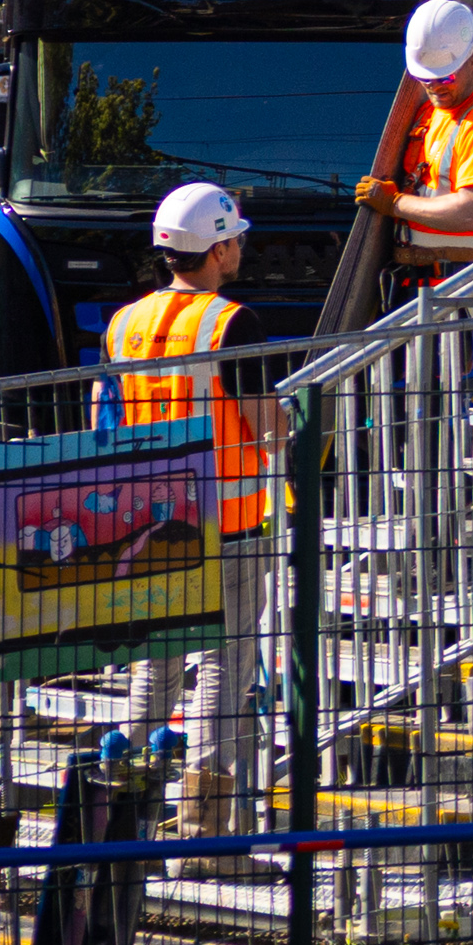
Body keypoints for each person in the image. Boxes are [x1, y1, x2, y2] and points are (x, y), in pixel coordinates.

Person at [106, 181, 278, 820]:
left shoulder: (124, 325)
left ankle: (124, 813)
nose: (239, 249)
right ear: (216, 248)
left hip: (152, 524)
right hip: (229, 528)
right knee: (222, 673)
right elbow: (269, 428)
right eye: (234, 239)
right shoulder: (232, 322)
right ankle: (205, 829)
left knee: (155, 666)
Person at [359, 0, 473, 272]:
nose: (434, 86)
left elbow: (471, 214)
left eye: (444, 77)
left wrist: (395, 203)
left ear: (472, 60)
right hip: (428, 283)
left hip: (463, 288)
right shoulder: (432, 112)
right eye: (424, 78)